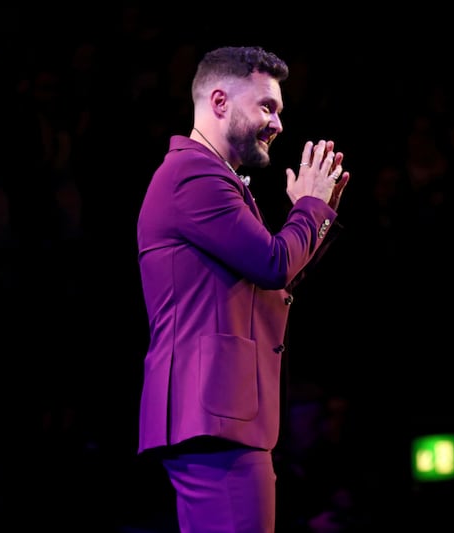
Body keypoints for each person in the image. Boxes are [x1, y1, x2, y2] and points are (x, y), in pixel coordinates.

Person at [135, 45, 350, 533]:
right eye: (267, 107)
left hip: (219, 415)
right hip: (214, 415)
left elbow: (271, 279)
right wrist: (310, 209)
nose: (278, 123)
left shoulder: (214, 179)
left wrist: (318, 219)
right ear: (219, 101)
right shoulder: (194, 175)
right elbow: (274, 263)